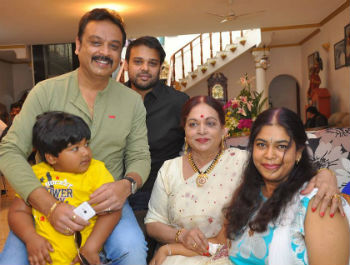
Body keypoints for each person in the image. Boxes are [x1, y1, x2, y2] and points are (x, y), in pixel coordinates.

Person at [0, 8, 150, 265]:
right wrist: (49, 205)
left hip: (105, 206)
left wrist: (126, 185)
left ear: (120, 55)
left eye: (114, 46)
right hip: (46, 201)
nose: (105, 52)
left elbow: (139, 156)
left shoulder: (132, 101)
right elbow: (9, 150)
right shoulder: (45, 92)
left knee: (133, 251)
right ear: (78, 45)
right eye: (95, 42)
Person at [145, 96, 341, 265]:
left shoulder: (317, 205)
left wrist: (326, 174)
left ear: (224, 130)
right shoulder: (247, 195)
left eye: (281, 146)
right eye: (262, 145)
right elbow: (220, 244)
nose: (269, 155)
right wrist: (170, 248)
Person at [9, 111, 121, 265]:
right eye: (75, 148)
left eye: (86, 144)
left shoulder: (97, 171)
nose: (85, 152)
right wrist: (31, 238)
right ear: (51, 157)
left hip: (83, 260)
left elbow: (112, 211)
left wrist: (91, 248)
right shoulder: (35, 175)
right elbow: (18, 211)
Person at [125, 36, 189, 212]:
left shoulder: (178, 102)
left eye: (152, 63)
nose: (145, 68)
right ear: (126, 64)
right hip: (116, 192)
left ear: (160, 67)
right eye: (138, 62)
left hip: (161, 194)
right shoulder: (113, 100)